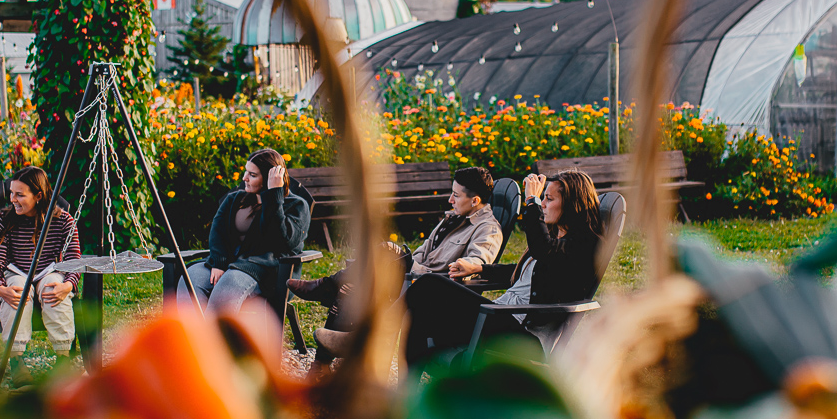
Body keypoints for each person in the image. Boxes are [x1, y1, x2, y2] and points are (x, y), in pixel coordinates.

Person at [316, 169, 605, 364]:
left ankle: (366, 341)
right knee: (421, 313)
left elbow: (546, 255)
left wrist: (529, 201)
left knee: (428, 286)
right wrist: (479, 269)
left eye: (548, 199)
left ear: (573, 204)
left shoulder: (585, 244)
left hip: (525, 336)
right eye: (542, 198)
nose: (542, 204)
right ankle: (409, 398)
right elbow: (524, 272)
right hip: (503, 317)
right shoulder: (557, 240)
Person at [287, 165, 503, 308]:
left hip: (429, 285)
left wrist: (467, 265)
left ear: (474, 201)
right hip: (412, 274)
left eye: (455, 195)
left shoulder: (488, 230)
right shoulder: (454, 218)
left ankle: (325, 286)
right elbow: (425, 248)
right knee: (351, 288)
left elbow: (479, 262)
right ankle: (321, 363)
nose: (450, 200)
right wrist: (407, 263)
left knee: (386, 250)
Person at [178, 147, 312, 313]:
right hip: (229, 263)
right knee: (190, 279)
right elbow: (217, 232)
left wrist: (274, 195)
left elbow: (280, 241)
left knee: (226, 289)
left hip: (266, 272)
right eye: (246, 172)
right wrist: (218, 262)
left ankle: (216, 339)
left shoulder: (296, 206)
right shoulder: (234, 199)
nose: (244, 178)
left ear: (270, 178)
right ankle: (191, 336)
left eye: (253, 175)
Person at [0, 165, 81, 384]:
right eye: (11, 193)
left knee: (53, 290)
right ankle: (16, 361)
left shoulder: (63, 221)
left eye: (20, 195)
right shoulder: (4, 220)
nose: (13, 199)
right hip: (17, 270)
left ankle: (63, 359)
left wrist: (68, 286)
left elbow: (74, 260)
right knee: (17, 293)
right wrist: (1, 288)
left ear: (38, 195)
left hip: (50, 269)